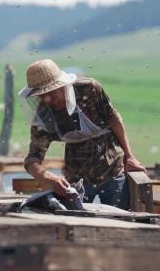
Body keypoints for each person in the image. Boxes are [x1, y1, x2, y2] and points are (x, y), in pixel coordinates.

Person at [20, 58, 146, 210]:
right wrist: (49, 177)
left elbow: (113, 119)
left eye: (52, 93)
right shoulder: (43, 115)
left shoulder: (89, 89)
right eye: (42, 95)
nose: (48, 99)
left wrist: (129, 156)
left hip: (112, 166)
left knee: (120, 219)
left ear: (63, 85)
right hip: (76, 176)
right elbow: (32, 160)